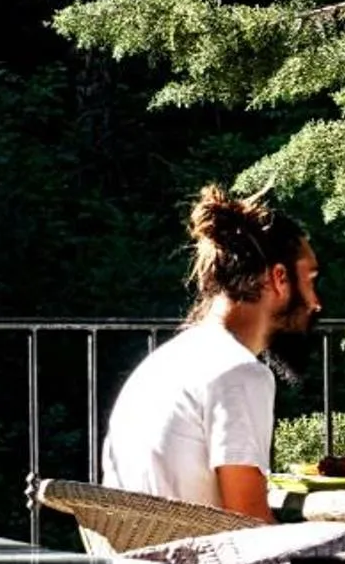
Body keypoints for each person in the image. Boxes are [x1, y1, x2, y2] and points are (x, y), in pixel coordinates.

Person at [99, 186, 322, 521]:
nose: (316, 303)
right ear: (279, 278)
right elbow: (249, 523)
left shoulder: (163, 364)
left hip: (134, 553)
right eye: (310, 281)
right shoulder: (239, 372)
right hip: (203, 554)